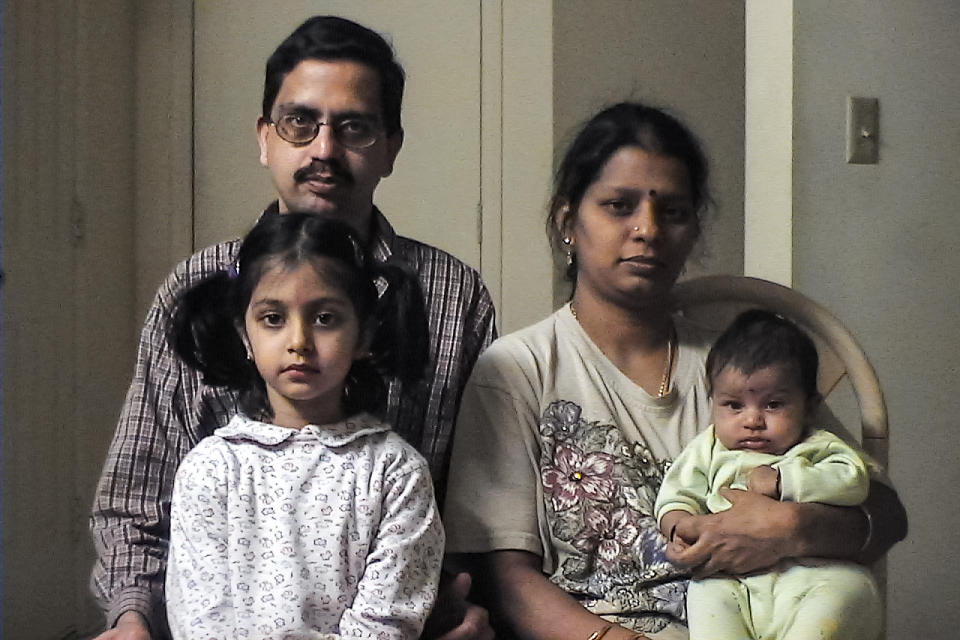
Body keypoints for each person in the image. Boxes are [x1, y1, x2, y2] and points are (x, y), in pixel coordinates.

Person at [90, 16, 496, 640]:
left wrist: (467, 606)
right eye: (299, 123)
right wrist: (131, 620)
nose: (324, 150)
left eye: (354, 127)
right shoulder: (196, 286)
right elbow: (136, 502)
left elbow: (479, 509)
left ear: (391, 146)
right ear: (265, 138)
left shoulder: (455, 299)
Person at [442, 102, 906, 640]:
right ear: (569, 222)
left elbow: (885, 516)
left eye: (675, 212)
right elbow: (504, 580)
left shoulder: (743, 369)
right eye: (618, 206)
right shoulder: (518, 371)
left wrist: (793, 529)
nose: (648, 229)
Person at [164, 213, 443, 639]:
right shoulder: (210, 471)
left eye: (325, 318)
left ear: (364, 334)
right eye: (273, 318)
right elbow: (201, 622)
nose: (299, 341)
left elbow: (385, 625)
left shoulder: (396, 474)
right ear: (245, 334)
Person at [655, 309, 881, 640]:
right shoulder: (708, 448)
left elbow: (854, 482)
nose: (753, 420)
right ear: (713, 402)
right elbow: (677, 493)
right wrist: (679, 525)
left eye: (773, 405)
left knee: (853, 590)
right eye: (734, 405)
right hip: (733, 581)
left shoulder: (817, 446)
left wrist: (785, 481)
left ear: (810, 406)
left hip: (812, 575)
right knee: (704, 594)